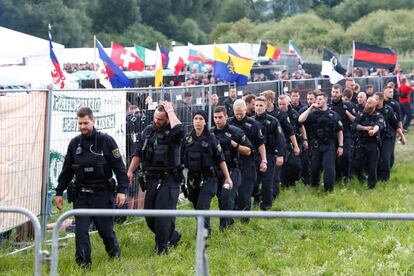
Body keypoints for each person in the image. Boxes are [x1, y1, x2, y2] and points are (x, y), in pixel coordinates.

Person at [55, 107, 128, 268]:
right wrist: (59, 192)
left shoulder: (106, 141)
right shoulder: (75, 144)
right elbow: (67, 170)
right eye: (80, 123)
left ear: (93, 121)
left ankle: (115, 255)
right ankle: (83, 264)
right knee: (80, 231)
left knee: (105, 231)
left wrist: (122, 190)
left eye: (86, 123)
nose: (82, 126)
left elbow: (119, 168)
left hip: (103, 194)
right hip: (82, 195)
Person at [127, 102, 184, 255]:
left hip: (169, 180)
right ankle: (173, 236)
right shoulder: (148, 131)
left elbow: (180, 130)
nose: (156, 121)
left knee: (163, 216)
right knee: (149, 216)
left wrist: (171, 110)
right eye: (155, 118)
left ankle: (162, 248)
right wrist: (130, 171)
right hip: (151, 179)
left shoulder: (173, 132)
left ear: (167, 119)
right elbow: (139, 152)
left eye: (160, 119)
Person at [182, 110, 232, 235]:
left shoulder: (211, 138)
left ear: (205, 122)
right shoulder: (187, 139)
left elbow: (221, 159)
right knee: (196, 205)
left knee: (202, 206)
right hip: (193, 179)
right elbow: (180, 160)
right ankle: (203, 228)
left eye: (201, 119)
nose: (198, 121)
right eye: (196, 118)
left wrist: (228, 177)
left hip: (209, 179)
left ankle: (204, 234)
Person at [211, 106, 252, 230]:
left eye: (220, 117)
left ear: (226, 117)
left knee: (226, 197)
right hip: (217, 171)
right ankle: (230, 223)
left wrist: (236, 145)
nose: (217, 120)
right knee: (221, 199)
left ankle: (224, 228)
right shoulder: (210, 132)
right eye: (215, 117)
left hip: (233, 170)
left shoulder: (236, 132)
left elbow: (248, 150)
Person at [228, 99, 266, 220]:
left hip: (248, 162)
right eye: (236, 113)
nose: (238, 116)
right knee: (231, 195)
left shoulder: (253, 124)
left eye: (241, 113)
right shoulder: (228, 123)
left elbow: (261, 144)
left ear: (246, 109)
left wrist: (264, 160)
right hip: (232, 163)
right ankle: (232, 220)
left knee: (245, 194)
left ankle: (245, 221)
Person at [298, 92, 344, 192]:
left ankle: (329, 190)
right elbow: (300, 120)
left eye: (320, 99)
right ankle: (314, 186)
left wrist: (341, 146)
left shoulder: (333, 115)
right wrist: (310, 108)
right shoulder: (312, 114)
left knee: (329, 168)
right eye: (317, 99)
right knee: (314, 168)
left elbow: (339, 130)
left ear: (326, 100)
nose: (318, 101)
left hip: (329, 145)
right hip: (315, 145)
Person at [253, 96, 286, 210]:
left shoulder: (273, 121)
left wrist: (281, 155)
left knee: (267, 182)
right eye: (256, 105)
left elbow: (280, 138)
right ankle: (257, 197)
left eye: (261, 105)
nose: (258, 108)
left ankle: (266, 206)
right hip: (254, 156)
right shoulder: (251, 121)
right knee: (253, 181)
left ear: (266, 106)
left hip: (270, 154)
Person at [352, 97, 384, 188]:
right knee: (357, 164)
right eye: (367, 102)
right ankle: (361, 179)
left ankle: (371, 186)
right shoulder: (360, 114)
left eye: (370, 103)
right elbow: (354, 125)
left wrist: (373, 131)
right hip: (361, 143)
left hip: (372, 143)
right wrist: (365, 128)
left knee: (372, 166)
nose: (367, 104)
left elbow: (379, 125)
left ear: (375, 105)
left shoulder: (378, 115)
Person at [373, 92, 406, 181]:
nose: (373, 100)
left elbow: (395, 124)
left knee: (385, 157)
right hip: (375, 137)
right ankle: (376, 176)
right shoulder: (372, 109)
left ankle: (384, 178)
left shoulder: (388, 110)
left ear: (381, 100)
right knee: (376, 157)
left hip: (387, 137)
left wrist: (402, 136)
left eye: (375, 99)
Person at [329, 84, 356, 182]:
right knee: (334, 158)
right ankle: (337, 177)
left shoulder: (348, 105)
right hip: (333, 135)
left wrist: (347, 113)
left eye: (337, 92)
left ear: (341, 93)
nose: (335, 94)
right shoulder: (329, 106)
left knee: (346, 155)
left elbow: (355, 120)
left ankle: (347, 176)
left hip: (346, 134)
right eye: (333, 92)